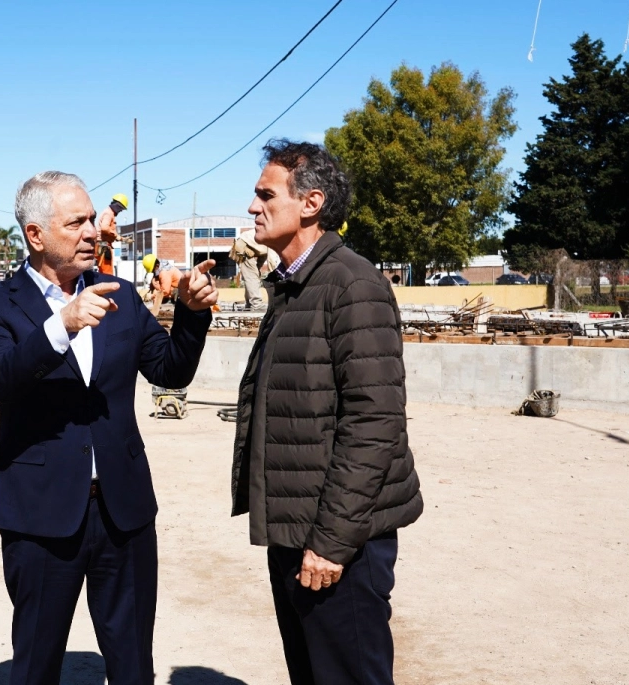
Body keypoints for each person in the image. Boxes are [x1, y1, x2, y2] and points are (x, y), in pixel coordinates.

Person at [0, 171, 218, 685]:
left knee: (132, 664)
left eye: (90, 220)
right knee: (36, 662)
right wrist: (61, 325)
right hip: (40, 515)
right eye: (76, 222)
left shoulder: (121, 296)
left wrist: (190, 316)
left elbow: (169, 371)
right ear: (35, 235)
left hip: (122, 513)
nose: (92, 232)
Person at [230, 140, 423, 685]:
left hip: (338, 546)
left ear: (310, 203)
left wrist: (331, 542)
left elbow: (375, 423)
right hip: (297, 533)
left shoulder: (352, 285)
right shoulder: (294, 287)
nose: (253, 207)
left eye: (266, 195)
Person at [229, 228, 279, 309]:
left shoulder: (266, 243)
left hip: (243, 246)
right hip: (243, 247)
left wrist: (258, 269)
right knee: (252, 277)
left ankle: (249, 304)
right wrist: (275, 276)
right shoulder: (274, 237)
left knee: (251, 277)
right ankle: (256, 304)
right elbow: (271, 260)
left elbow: (263, 256)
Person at [95, 193, 129, 275]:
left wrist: (119, 238)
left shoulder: (108, 212)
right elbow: (104, 228)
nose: (120, 211)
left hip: (101, 245)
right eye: (121, 209)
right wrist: (116, 235)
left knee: (103, 273)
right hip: (103, 245)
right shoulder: (109, 213)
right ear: (118, 206)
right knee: (107, 274)